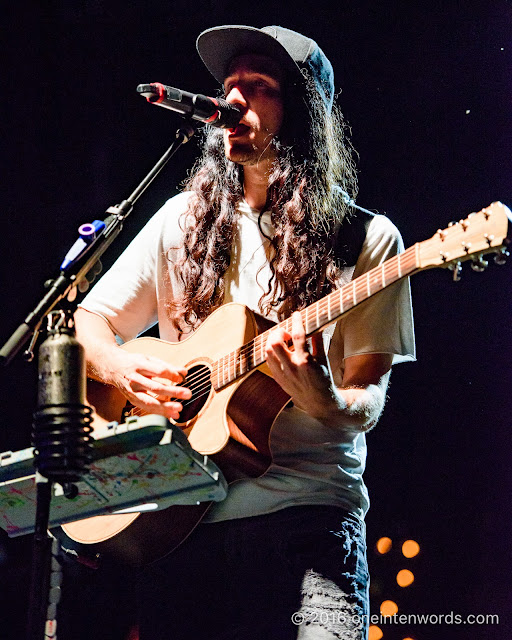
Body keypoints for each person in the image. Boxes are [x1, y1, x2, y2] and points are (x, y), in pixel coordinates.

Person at [73, 25, 415, 640]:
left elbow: (367, 398)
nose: (234, 101)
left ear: (305, 113)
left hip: (308, 526)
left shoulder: (368, 240)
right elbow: (88, 323)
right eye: (229, 86)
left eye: (259, 88)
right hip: (179, 525)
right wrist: (125, 373)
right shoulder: (181, 219)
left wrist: (325, 398)